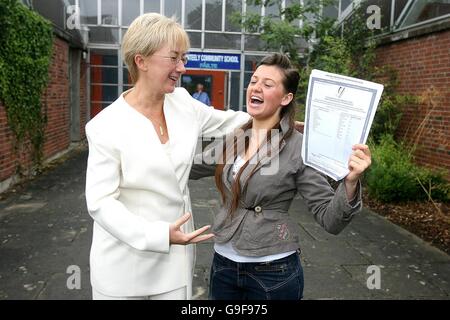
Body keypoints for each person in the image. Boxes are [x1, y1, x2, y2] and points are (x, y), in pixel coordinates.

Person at [84, 13, 251, 300]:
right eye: (174, 58)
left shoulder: (183, 103)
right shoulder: (104, 126)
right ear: (141, 60)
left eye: (183, 58)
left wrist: (278, 121)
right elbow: (100, 202)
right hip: (123, 265)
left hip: (175, 261)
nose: (182, 67)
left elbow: (231, 122)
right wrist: (158, 235)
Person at [190, 53, 372, 300]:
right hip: (223, 264)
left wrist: (350, 183)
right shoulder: (235, 137)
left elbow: (330, 219)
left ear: (286, 98)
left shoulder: (298, 148)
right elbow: (188, 167)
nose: (256, 87)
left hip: (273, 273)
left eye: (267, 84)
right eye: (254, 81)